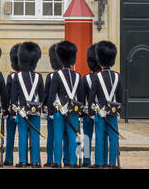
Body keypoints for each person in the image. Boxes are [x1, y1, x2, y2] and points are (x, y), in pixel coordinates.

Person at [48, 40, 85, 168]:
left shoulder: (56, 76)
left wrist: (50, 110)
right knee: (72, 137)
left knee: (58, 137)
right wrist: (80, 111)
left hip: (59, 111)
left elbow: (52, 95)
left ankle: (57, 162)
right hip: (73, 112)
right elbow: (81, 97)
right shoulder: (77, 75)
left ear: (60, 58)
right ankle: (72, 162)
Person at [89, 40, 123, 169]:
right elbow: (120, 96)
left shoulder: (97, 76)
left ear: (100, 60)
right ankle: (112, 163)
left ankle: (99, 163)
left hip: (100, 110)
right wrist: (118, 109)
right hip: (113, 111)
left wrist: (91, 109)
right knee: (113, 137)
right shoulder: (117, 76)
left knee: (100, 137)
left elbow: (92, 95)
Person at [11, 41, 45, 168]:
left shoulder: (17, 77)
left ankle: (23, 161)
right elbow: (42, 95)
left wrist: (14, 110)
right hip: (35, 110)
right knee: (35, 136)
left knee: (22, 136)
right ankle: (35, 161)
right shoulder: (38, 77)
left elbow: (14, 96)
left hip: (21, 111)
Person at [43, 43, 61, 167]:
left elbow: (47, 95)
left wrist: (47, 109)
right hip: (69, 110)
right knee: (65, 137)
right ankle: (68, 160)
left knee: (52, 136)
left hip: (54, 110)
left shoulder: (51, 76)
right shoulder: (74, 75)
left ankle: (51, 159)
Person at [3, 43, 20, 166]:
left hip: (11, 111)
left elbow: (7, 95)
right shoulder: (33, 76)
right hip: (26, 110)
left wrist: (5, 110)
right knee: (24, 137)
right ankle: (25, 159)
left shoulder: (11, 77)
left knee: (10, 137)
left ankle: (9, 159)